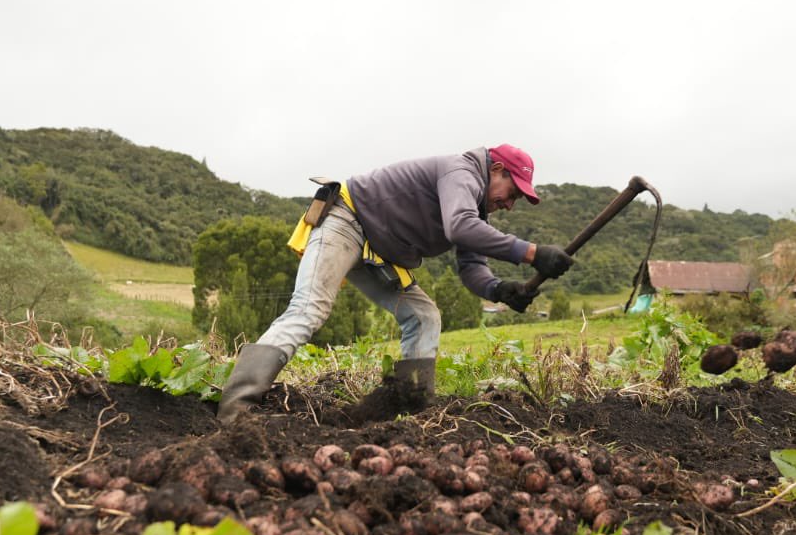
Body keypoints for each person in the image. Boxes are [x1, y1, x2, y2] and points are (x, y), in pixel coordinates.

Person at [216, 144, 575, 423]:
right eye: (511, 194)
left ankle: (409, 410)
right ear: (496, 170)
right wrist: (531, 253)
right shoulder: (461, 172)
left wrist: (498, 290)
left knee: (424, 317)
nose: (510, 205)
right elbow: (460, 228)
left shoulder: (474, 206)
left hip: (379, 253)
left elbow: (472, 269)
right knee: (308, 309)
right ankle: (235, 410)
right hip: (346, 221)